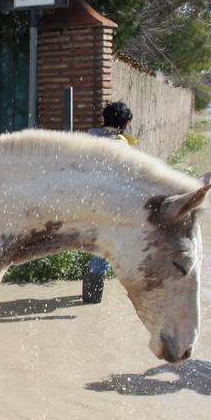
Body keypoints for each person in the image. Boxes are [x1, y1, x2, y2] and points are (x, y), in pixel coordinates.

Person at [81, 101, 139, 304]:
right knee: (106, 246)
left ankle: (90, 289)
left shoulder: (88, 138)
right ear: (124, 122)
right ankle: (91, 297)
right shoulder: (120, 145)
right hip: (109, 203)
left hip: (86, 201)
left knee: (99, 243)